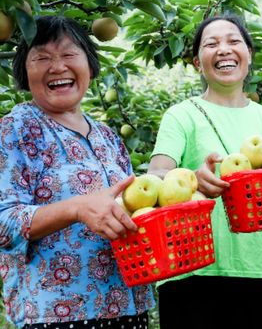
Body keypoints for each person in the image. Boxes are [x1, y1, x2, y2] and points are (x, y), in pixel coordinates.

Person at [148, 13, 262, 328]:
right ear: (198, 62)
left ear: (249, 55)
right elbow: (156, 174)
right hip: (191, 271)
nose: (223, 49)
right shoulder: (182, 115)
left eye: (234, 41)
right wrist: (192, 178)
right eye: (211, 44)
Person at [0, 16, 154, 329]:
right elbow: (3, 223)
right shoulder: (17, 129)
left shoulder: (108, 136)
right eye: (42, 57)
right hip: (56, 316)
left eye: (69, 54)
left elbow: (131, 208)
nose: (57, 67)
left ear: (90, 64)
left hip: (129, 307)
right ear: (23, 72)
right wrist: (76, 208)